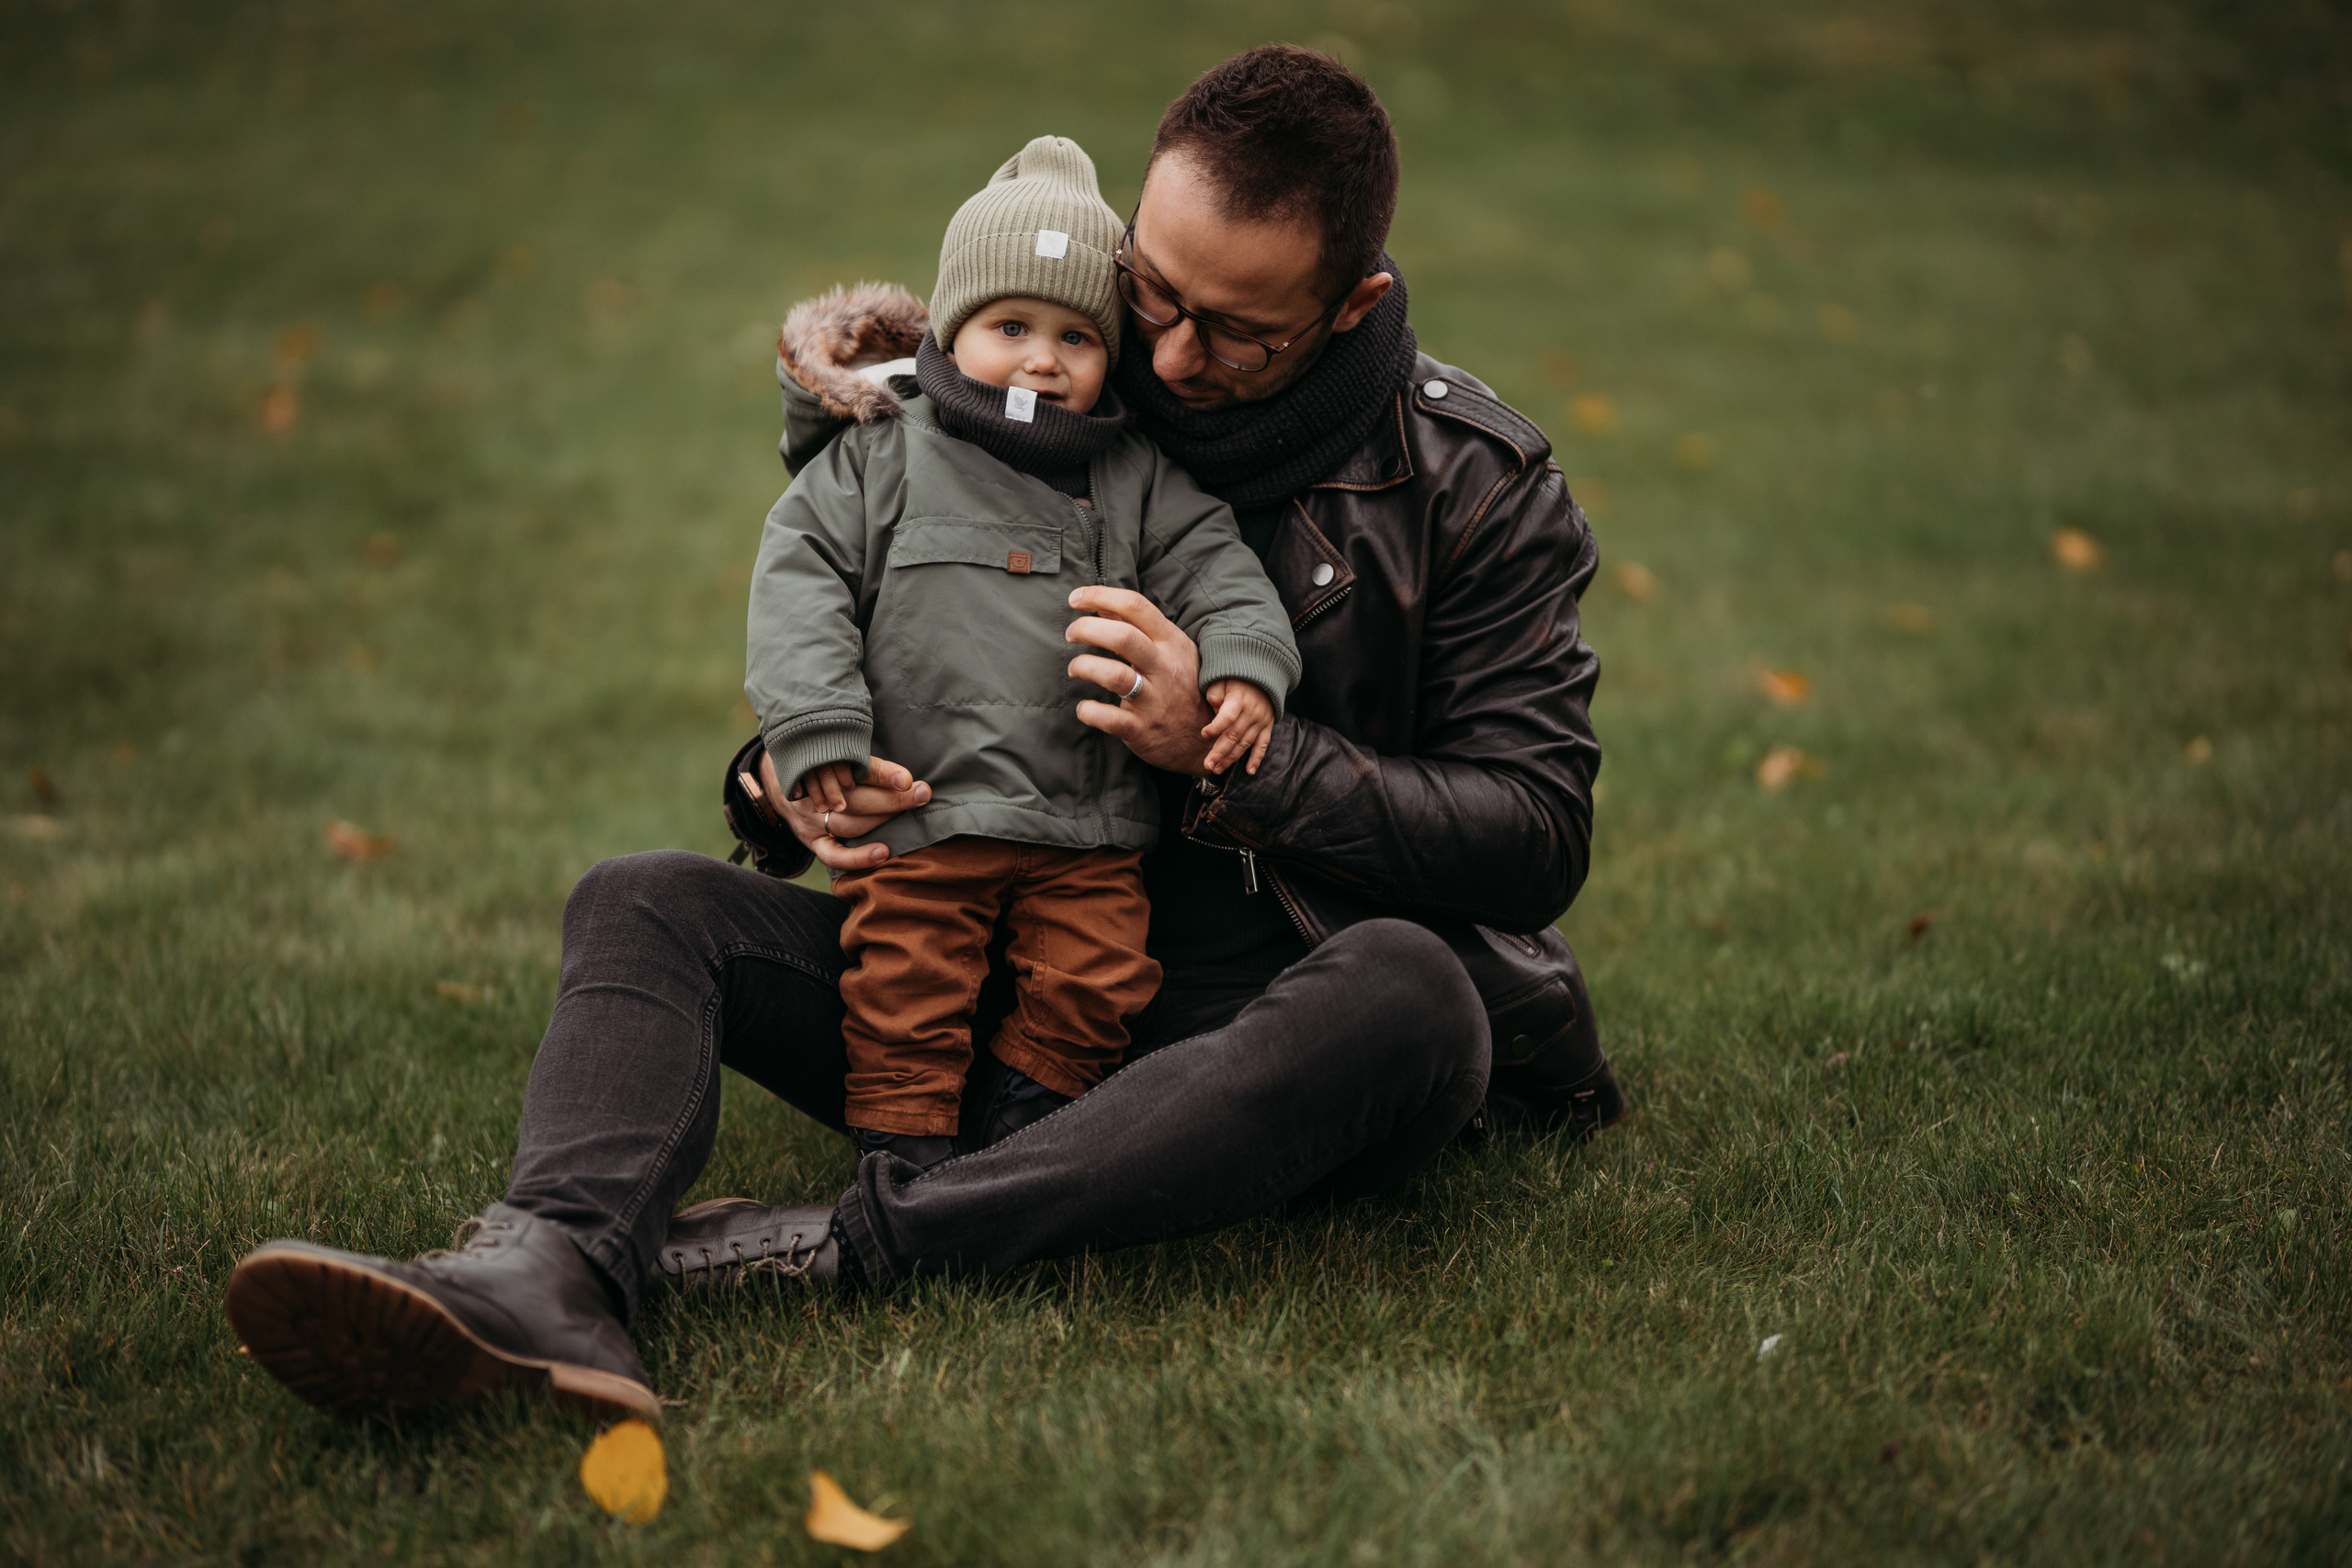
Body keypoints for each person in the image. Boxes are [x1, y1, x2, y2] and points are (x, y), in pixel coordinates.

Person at [223, 45, 1618, 1426]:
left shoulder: (1475, 483)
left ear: (1351, 300)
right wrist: (790, 782)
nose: (1173, 360)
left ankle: (858, 1238)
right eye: (1155, 293)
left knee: (1413, 994)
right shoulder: (1053, 350)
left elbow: (1535, 830)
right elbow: (877, 605)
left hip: (1261, 1020)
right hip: (974, 970)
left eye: (1239, 333)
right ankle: (550, 1263)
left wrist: (1233, 746)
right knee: (642, 899)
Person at [746, 134, 1298, 1173]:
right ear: (951, 335)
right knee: (904, 990)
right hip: (921, 810)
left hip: (1088, 829)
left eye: (1077, 337)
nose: (1043, 360)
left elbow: (1221, 570)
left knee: (1098, 985)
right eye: (1010, 327)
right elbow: (800, 576)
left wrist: (1244, 665)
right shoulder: (883, 451)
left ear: (1110, 356)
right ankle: (900, 1160)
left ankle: (1018, 1133)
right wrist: (814, 721)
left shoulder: (1134, 476)